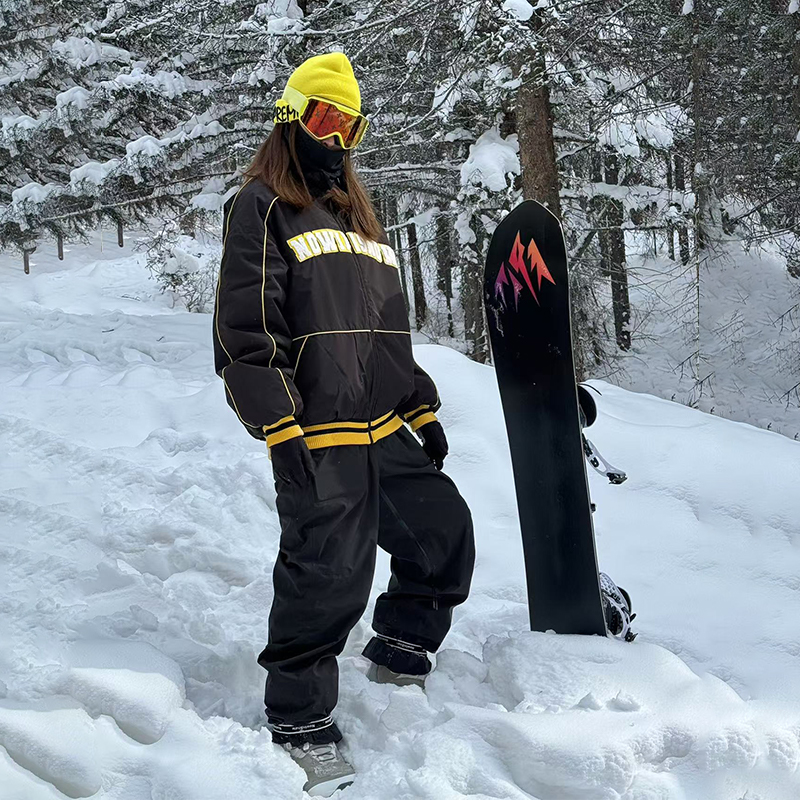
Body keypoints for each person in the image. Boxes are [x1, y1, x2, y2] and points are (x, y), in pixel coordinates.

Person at [212, 52, 475, 796]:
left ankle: (398, 653)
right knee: (328, 575)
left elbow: (386, 331)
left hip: (379, 423)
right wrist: (278, 426)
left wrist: (418, 402)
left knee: (443, 532)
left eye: (351, 124)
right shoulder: (261, 205)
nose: (339, 138)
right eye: (326, 119)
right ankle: (299, 717)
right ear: (290, 119)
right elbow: (246, 328)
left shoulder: (360, 223)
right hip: (318, 429)